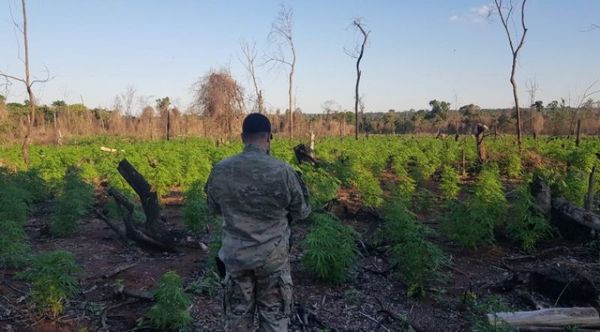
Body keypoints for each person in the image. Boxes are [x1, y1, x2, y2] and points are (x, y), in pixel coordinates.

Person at [205, 113, 311, 332]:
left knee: (237, 322)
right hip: (272, 259)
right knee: (274, 321)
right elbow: (301, 212)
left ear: (242, 137)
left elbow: (213, 208)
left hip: (235, 259)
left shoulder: (220, 170)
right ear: (269, 137)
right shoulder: (283, 171)